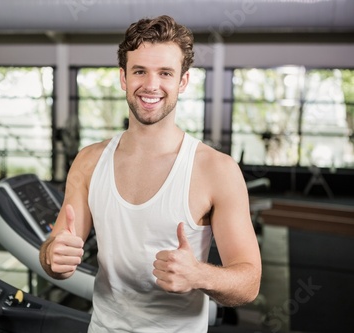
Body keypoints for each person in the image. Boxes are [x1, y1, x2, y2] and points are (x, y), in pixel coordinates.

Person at [39, 15, 261, 332]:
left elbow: (249, 282)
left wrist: (199, 274)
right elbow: (55, 252)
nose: (151, 85)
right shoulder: (88, 161)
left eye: (165, 73)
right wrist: (53, 256)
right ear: (123, 78)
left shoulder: (216, 170)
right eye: (140, 71)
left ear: (183, 81)